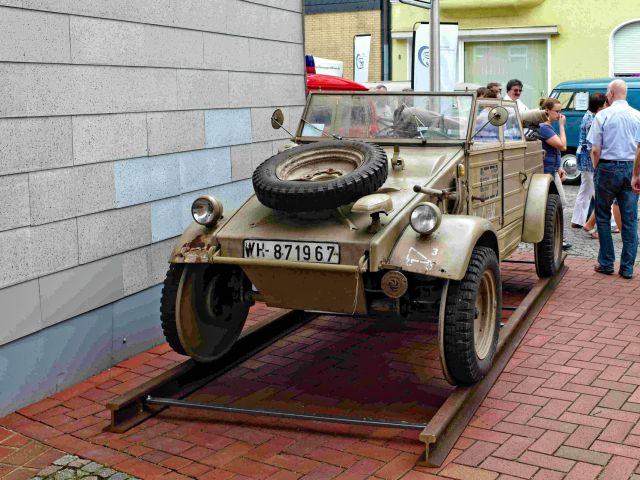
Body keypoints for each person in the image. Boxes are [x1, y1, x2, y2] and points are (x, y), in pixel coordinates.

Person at [587, 79, 640, 279]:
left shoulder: (603, 116)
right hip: (631, 168)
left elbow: (595, 150)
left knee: (602, 215)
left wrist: (596, 168)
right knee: (629, 219)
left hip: (607, 167)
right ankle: (627, 268)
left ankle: (606, 262)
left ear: (610, 93)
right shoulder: (637, 115)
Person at [570, 93, 606, 231]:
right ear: (599, 106)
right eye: (605, 105)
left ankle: (577, 220)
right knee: (596, 191)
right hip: (588, 158)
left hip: (583, 156)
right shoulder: (592, 119)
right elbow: (592, 145)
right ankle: (601, 223)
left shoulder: (588, 116)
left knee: (585, 190)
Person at [538, 97, 571, 250]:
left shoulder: (548, 127)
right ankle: (555, 238)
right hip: (547, 171)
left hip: (552, 169)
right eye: (557, 111)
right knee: (557, 204)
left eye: (560, 111)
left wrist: (559, 167)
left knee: (556, 204)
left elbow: (554, 150)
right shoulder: (545, 127)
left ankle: (555, 237)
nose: (559, 114)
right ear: (547, 111)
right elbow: (562, 146)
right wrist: (563, 127)